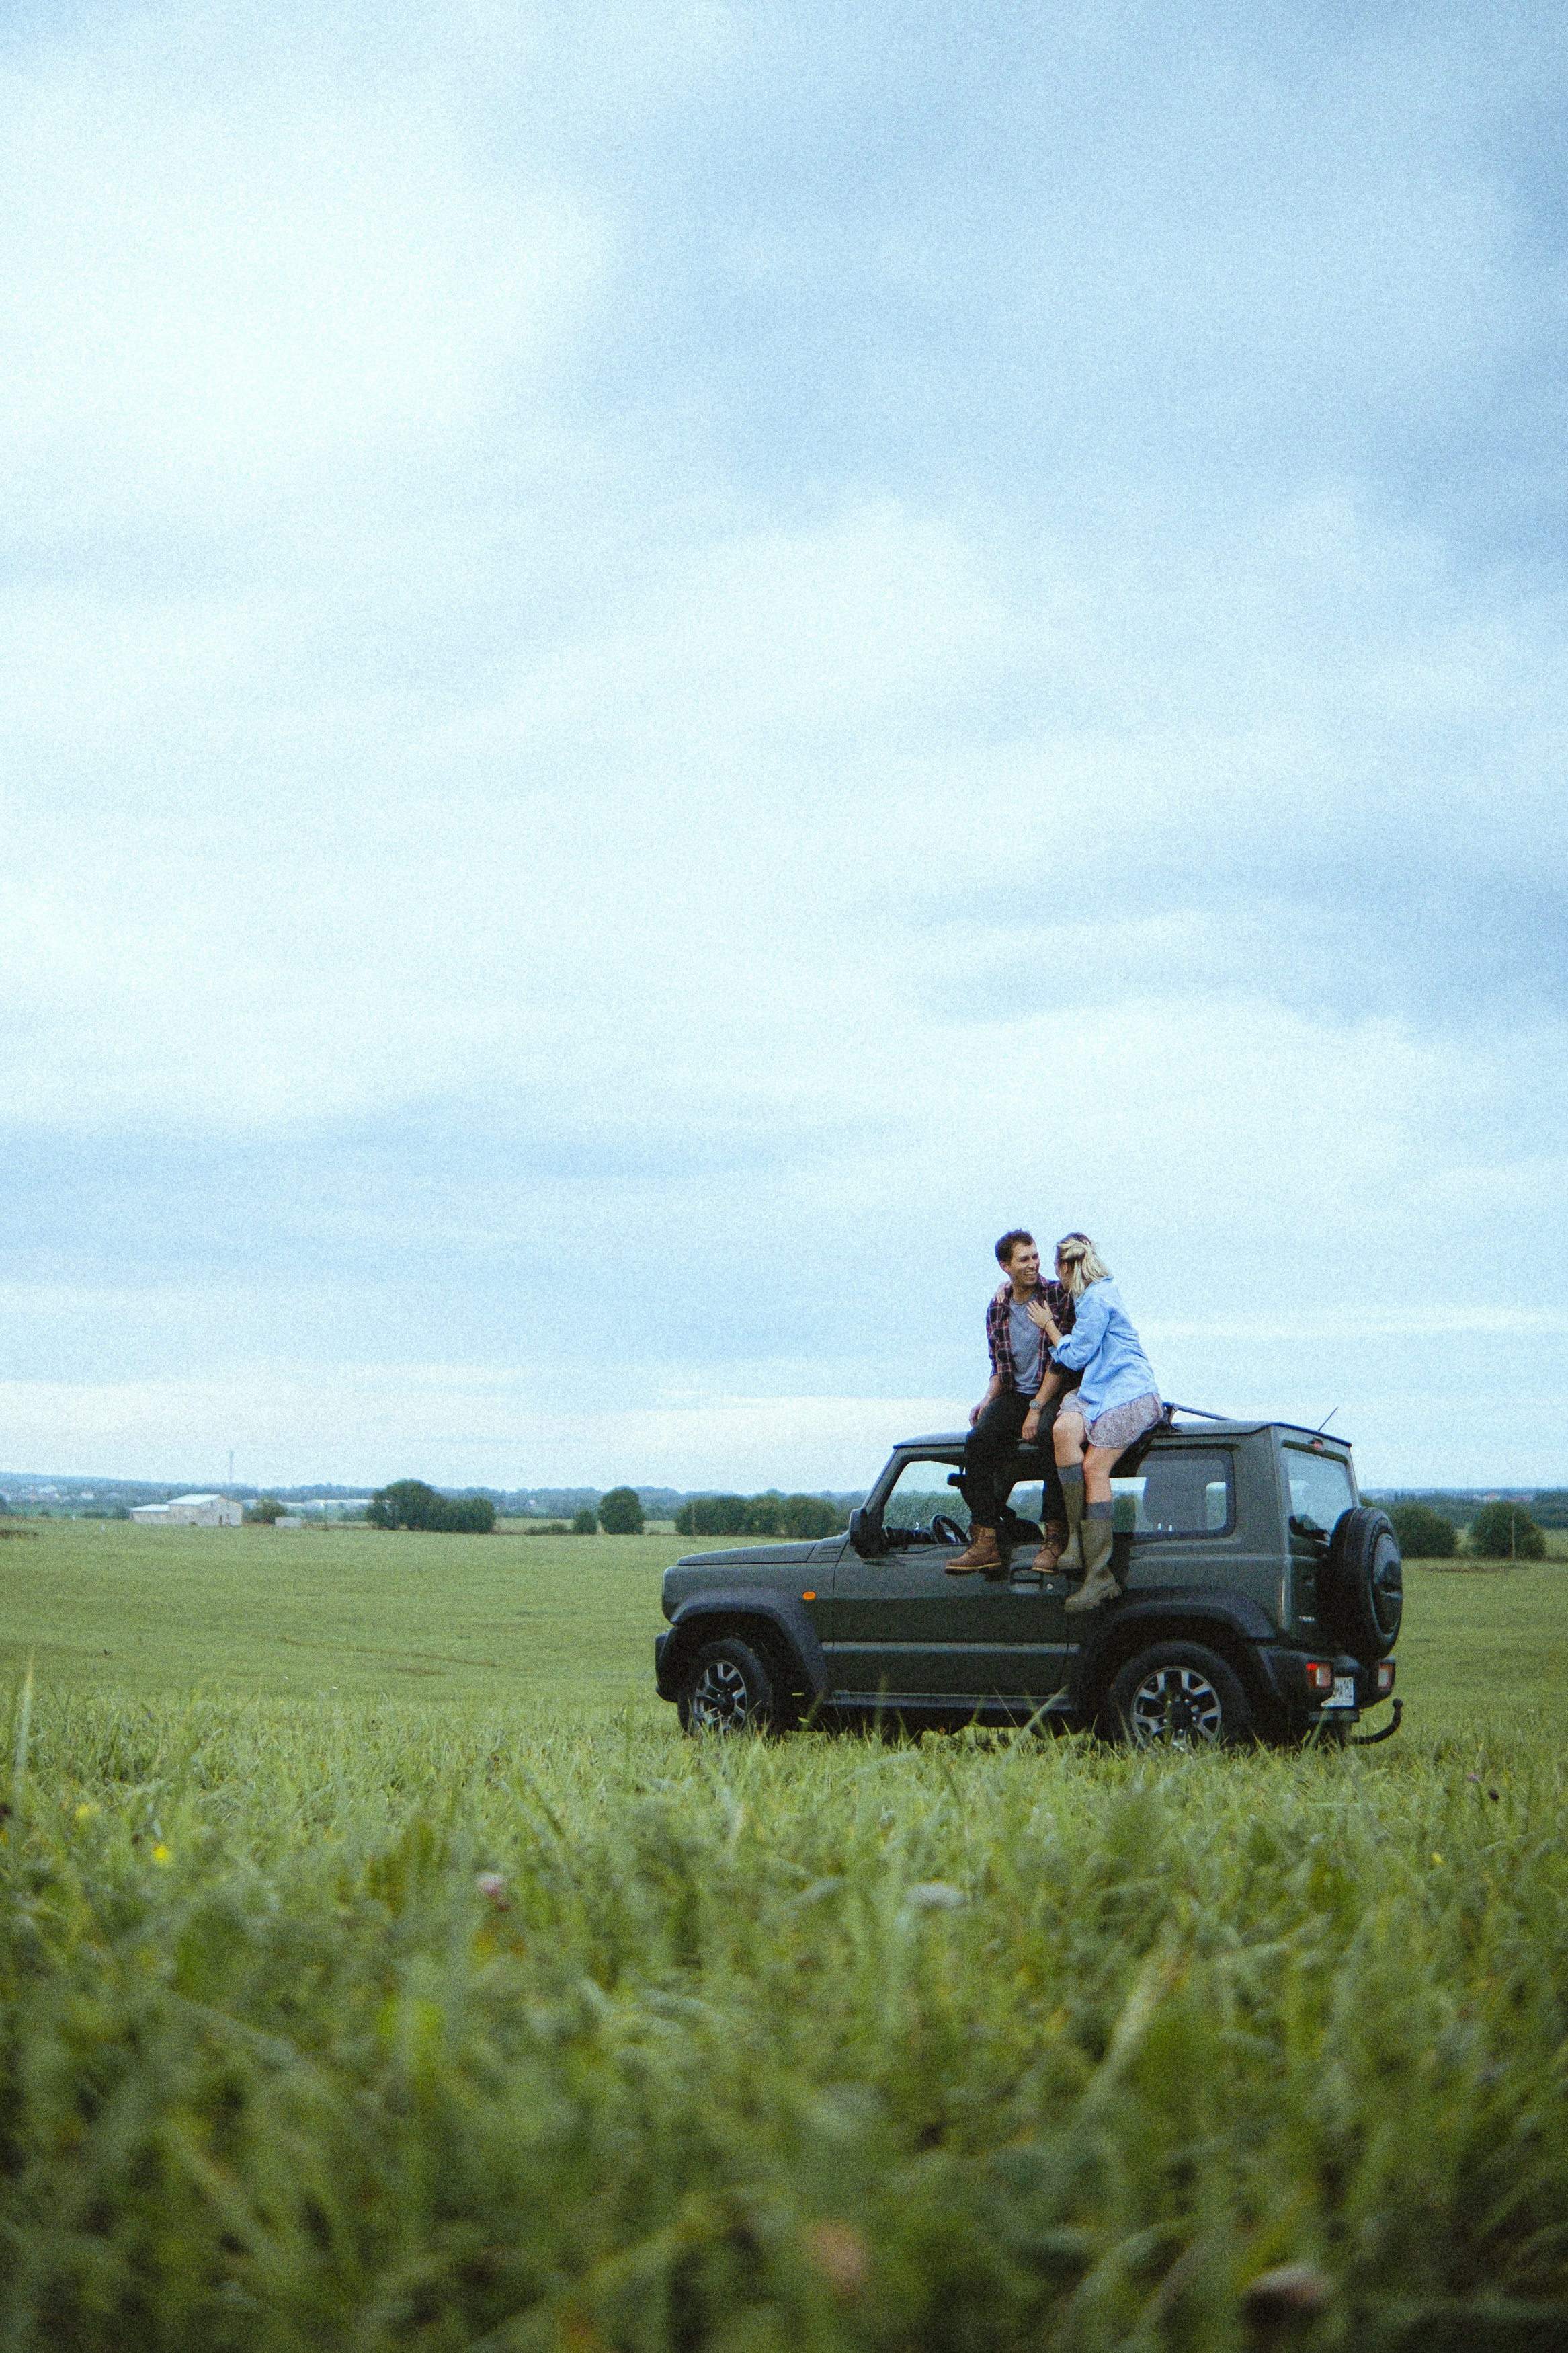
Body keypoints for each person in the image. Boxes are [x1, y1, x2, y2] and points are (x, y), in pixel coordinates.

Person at [1026, 1233, 1161, 1611]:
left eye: (1059, 1270)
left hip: (1128, 1392)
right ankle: (1072, 1541)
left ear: (1067, 1268)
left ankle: (1098, 1574)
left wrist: (1050, 1326)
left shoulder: (1096, 1299)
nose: (1060, 1280)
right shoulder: (1092, 1297)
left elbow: (1077, 1355)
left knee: (1094, 1467)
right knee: (1064, 1430)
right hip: (1098, 1391)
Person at [946, 1230, 1081, 1576]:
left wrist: (1037, 1408)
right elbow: (999, 1365)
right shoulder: (997, 1307)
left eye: (1035, 1257)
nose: (1033, 1265)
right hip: (1014, 1394)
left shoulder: (1056, 1295)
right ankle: (987, 1539)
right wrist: (987, 1399)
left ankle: (1054, 1536)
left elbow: (1062, 1360)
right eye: (1024, 1259)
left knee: (1052, 1434)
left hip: (1053, 1389)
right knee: (977, 1442)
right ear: (1005, 1266)